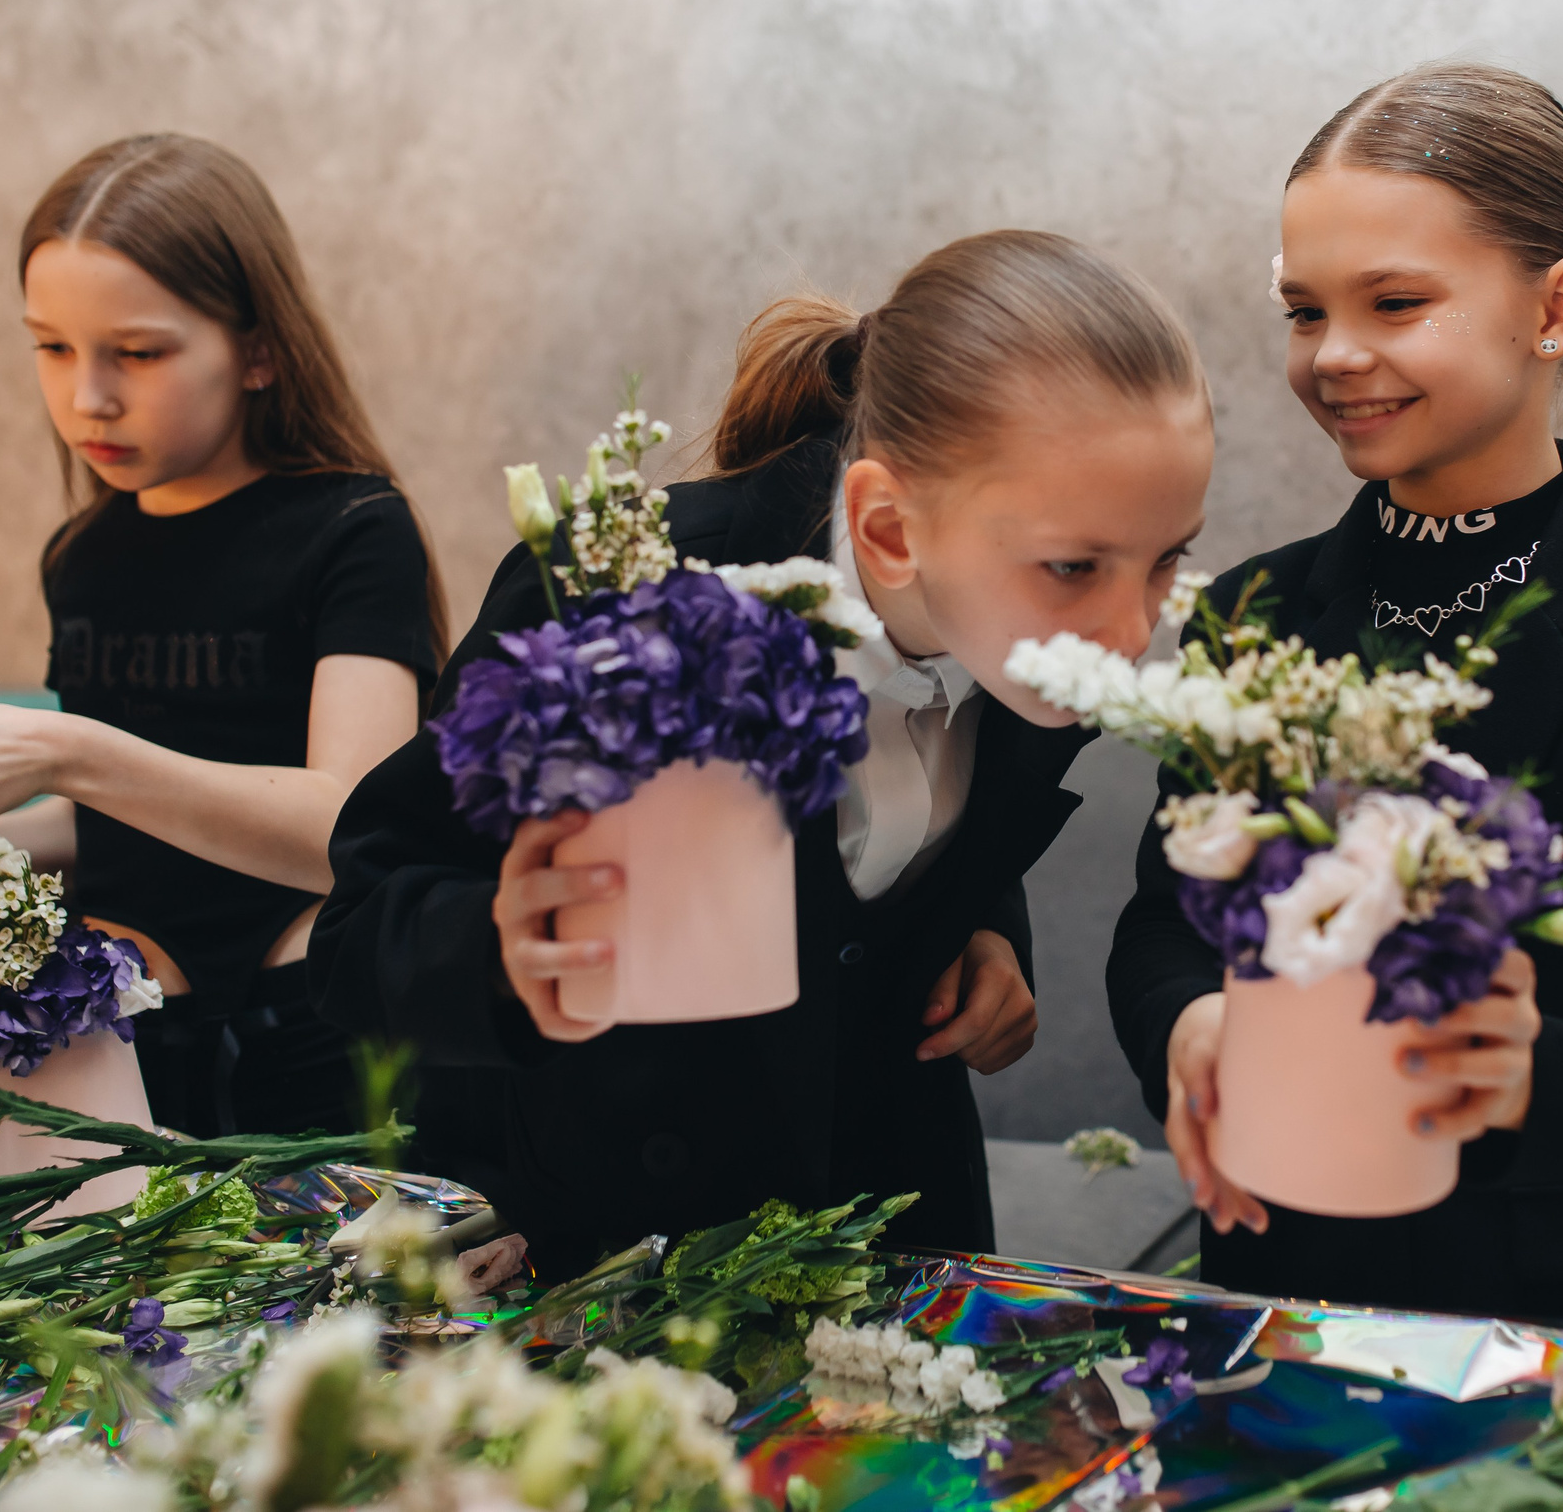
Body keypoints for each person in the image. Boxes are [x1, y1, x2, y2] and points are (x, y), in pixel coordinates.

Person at [312, 229, 1214, 1275]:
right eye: (1073, 566)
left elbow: (900, 839)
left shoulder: (1034, 640)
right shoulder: (625, 587)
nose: (1130, 631)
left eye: (1167, 562)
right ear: (885, 529)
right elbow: (362, 929)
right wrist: (507, 954)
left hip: (892, 1251)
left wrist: (981, 929)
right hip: (604, 1259)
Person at [1108, 64, 1563, 1344]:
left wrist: (1525, 1074)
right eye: (1305, 311)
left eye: (1396, 302)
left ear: (1555, 307)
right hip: (1278, 1289)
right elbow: (1162, 931)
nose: (1335, 354)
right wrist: (1192, 1025)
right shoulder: (1251, 611)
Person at [0, 134, 445, 1140]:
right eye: (52, 347)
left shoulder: (355, 531)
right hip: (128, 1029)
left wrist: (63, 751)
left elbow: (350, 829)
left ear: (259, 350)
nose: (87, 397)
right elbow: (112, 824)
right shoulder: (86, 555)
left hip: (303, 1029)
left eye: (138, 353)